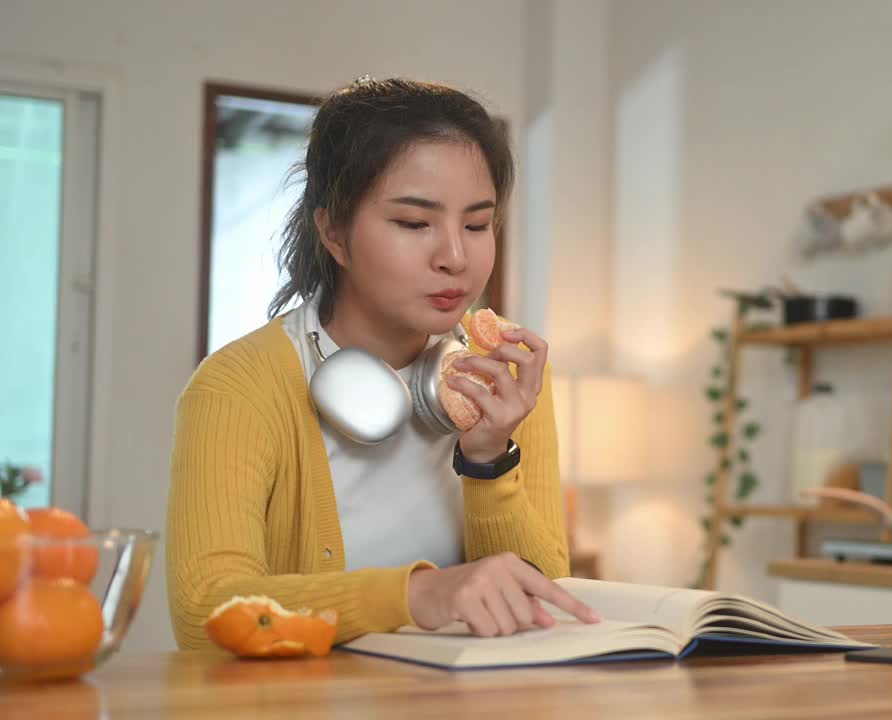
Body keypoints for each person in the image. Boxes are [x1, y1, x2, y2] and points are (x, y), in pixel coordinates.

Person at [166, 77, 598, 650]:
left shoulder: (501, 376)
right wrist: (417, 596)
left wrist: (490, 457)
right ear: (334, 233)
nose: (455, 257)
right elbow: (207, 610)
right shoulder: (239, 386)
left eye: (476, 225)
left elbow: (546, 605)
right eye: (414, 223)